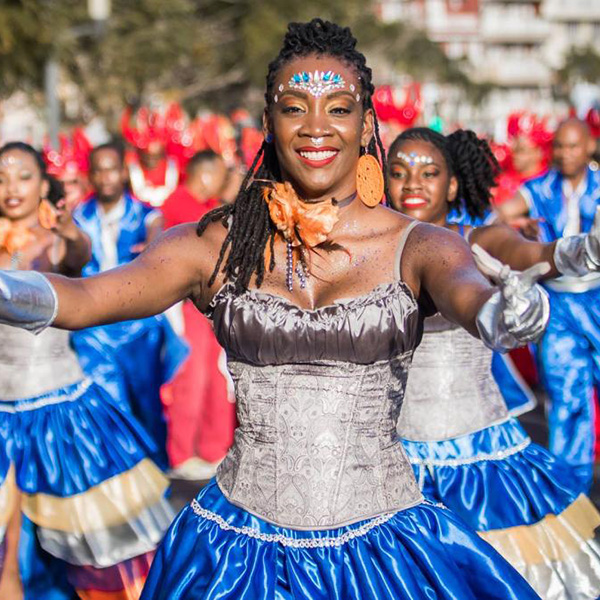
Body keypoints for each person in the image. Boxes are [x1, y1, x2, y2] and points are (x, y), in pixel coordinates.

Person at [0, 20, 547, 600]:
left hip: (385, 553)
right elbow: (86, 297)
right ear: (268, 123)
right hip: (233, 557)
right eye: (295, 108)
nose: (316, 127)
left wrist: (504, 314)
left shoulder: (420, 245)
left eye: (338, 109)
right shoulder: (216, 244)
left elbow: (471, 292)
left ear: (366, 126)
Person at [388, 126, 600, 599]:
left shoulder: (477, 237)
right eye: (398, 173)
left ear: (453, 184)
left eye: (429, 172)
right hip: (389, 458)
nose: (413, 185)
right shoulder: (369, 247)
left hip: (478, 459)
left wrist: (582, 251)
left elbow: (530, 253)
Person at [0, 142, 173, 599]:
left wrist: (69, 232)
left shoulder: (56, 239)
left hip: (61, 416)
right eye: (1, 177)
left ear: (43, 184)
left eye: (22, 176)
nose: (11, 187)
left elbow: (79, 256)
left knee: (89, 558)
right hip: (2, 416)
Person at [498, 118, 600, 493]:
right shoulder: (538, 188)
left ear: (589, 147)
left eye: (573, 146)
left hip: (598, 296)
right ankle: (573, 492)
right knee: (565, 394)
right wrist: (516, 227)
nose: (565, 154)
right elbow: (499, 214)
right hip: (557, 301)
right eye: (559, 147)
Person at [72, 142, 188, 469]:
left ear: (124, 172)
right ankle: (113, 473)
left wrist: (154, 243)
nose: (106, 177)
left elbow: (158, 231)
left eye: (112, 168)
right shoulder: (79, 218)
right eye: (98, 170)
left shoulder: (146, 214)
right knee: (105, 401)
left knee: (145, 401)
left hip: (138, 326)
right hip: (94, 327)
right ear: (90, 176)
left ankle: (155, 470)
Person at [161, 151, 235, 478]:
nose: (225, 181)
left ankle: (214, 449)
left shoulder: (212, 206)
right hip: (187, 305)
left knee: (219, 379)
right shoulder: (177, 206)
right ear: (205, 175)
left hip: (216, 306)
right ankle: (183, 453)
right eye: (221, 174)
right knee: (191, 380)